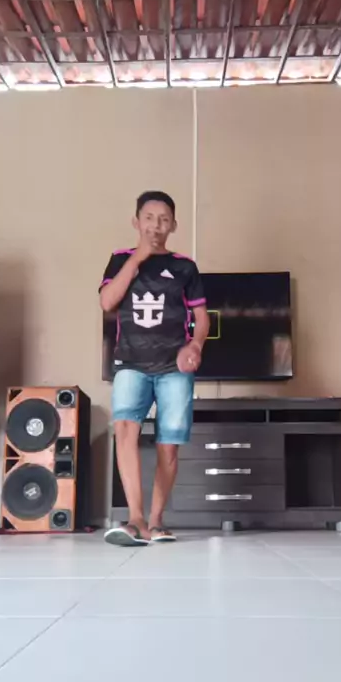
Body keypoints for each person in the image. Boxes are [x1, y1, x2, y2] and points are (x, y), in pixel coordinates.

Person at [99, 191, 210, 546]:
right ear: (136, 222)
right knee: (125, 431)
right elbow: (107, 302)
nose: (156, 225)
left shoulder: (185, 267)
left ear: (173, 225)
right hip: (130, 363)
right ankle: (135, 520)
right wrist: (139, 258)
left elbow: (202, 317)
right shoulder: (120, 260)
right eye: (149, 218)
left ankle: (157, 520)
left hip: (174, 368)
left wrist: (196, 345)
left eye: (164, 219)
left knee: (169, 445)